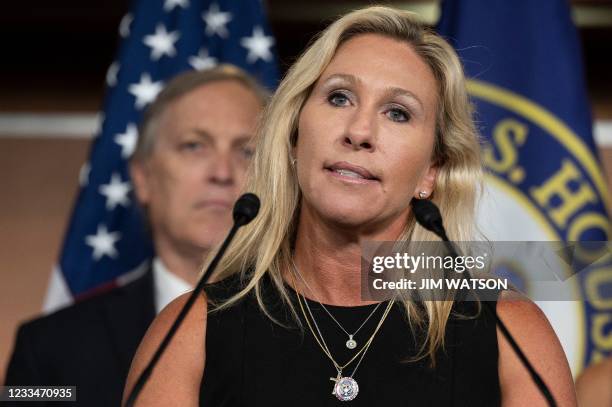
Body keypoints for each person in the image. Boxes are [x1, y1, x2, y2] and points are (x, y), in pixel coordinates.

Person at [124, 7, 577, 406]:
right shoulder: (192, 331)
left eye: (398, 112)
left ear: (431, 171)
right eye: (339, 97)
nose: (360, 131)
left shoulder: (511, 335)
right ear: (295, 136)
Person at [4, 65, 268, 406]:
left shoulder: (315, 327)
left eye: (246, 151)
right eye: (193, 146)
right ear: (142, 177)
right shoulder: (49, 345)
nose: (221, 172)